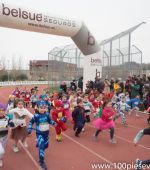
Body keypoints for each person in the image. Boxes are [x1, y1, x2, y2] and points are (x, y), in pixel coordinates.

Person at [28, 101, 56, 170]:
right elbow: (30, 122)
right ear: (37, 108)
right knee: (42, 147)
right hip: (39, 133)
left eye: (44, 108)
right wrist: (29, 128)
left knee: (46, 146)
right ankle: (41, 161)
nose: (43, 109)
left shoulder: (47, 114)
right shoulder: (36, 116)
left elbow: (50, 121)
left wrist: (54, 123)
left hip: (46, 133)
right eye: (41, 108)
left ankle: (39, 143)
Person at [0, 103, 14, 167]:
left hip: (5, 136)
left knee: (3, 150)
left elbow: (10, 123)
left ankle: (0, 159)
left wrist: (12, 124)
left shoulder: (7, 117)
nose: (2, 111)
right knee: (1, 151)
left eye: (3, 110)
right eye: (0, 110)